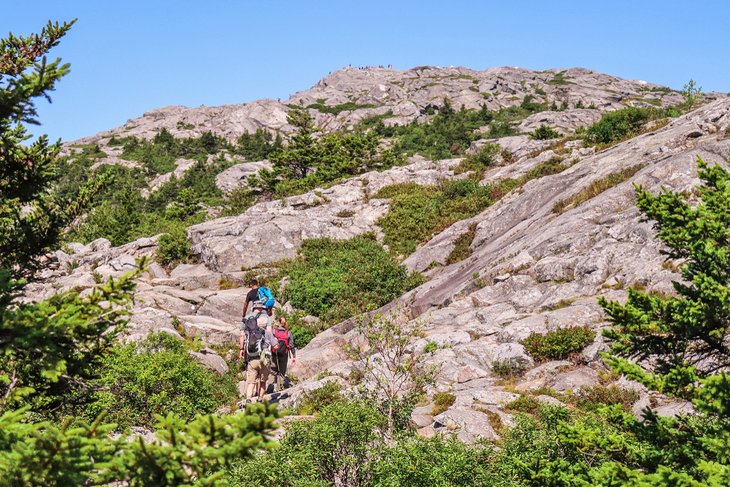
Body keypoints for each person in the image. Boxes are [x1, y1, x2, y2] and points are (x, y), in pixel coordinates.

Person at [240, 314, 278, 402]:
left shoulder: (249, 333)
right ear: (265, 325)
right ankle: (260, 399)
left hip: (252, 360)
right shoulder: (267, 333)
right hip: (264, 360)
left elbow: (245, 343)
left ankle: (248, 400)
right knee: (262, 381)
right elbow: (275, 346)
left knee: (251, 382)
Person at [269, 316, 296, 392]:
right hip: (284, 354)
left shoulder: (274, 331)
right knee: (282, 371)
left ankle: (270, 388)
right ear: (285, 323)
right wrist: (294, 356)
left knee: (273, 370)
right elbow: (291, 345)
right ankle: (280, 388)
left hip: (275, 353)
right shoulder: (288, 333)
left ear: (279, 322)